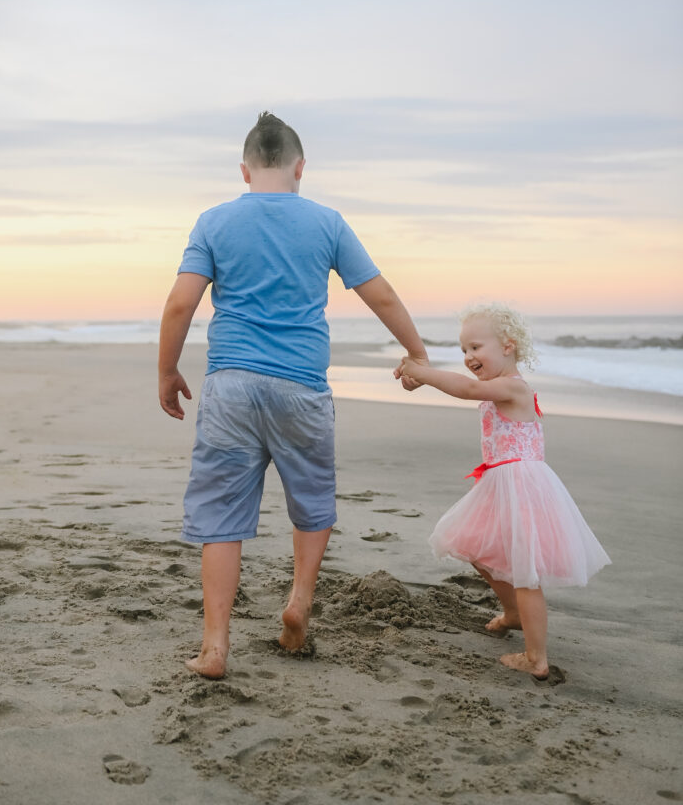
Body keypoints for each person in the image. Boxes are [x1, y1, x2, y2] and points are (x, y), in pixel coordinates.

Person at [159, 111, 428, 679]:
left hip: (231, 385)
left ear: (245, 169)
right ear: (301, 167)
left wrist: (167, 371)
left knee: (220, 514)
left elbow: (181, 303)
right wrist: (417, 352)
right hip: (302, 384)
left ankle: (214, 646)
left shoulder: (214, 221)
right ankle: (299, 602)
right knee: (311, 500)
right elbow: (378, 293)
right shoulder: (326, 222)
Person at [395, 303, 610, 680]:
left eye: (476, 347)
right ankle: (512, 613)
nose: (468, 357)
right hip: (501, 485)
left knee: (525, 572)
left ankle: (536, 657)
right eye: (463, 350)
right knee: (477, 548)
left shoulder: (512, 387)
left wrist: (424, 373)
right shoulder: (498, 388)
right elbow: (466, 386)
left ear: (508, 346)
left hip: (522, 487)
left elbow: (465, 388)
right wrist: (420, 377)